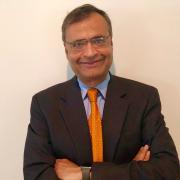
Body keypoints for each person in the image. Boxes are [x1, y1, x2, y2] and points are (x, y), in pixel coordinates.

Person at [23, 4, 180, 180]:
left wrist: (84, 174)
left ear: (111, 42)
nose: (90, 53)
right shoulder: (44, 103)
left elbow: (169, 171)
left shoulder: (144, 98)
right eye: (78, 44)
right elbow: (35, 175)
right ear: (66, 50)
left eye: (98, 40)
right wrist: (130, 170)